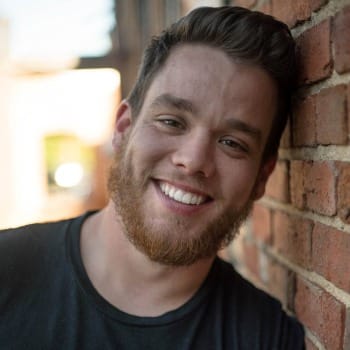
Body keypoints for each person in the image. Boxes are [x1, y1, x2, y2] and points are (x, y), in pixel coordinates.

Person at [0, 6, 305, 349]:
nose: (192, 161)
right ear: (123, 128)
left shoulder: (268, 339)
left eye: (232, 143)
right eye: (172, 121)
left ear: (262, 176)